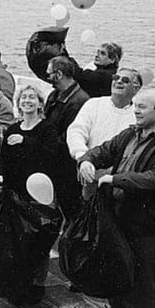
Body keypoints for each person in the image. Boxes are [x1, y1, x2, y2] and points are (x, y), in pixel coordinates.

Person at [78, 89, 155, 308]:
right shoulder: (131, 133)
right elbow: (105, 150)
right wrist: (87, 160)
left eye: (142, 106)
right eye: (135, 105)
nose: (135, 109)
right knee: (117, 263)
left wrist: (115, 180)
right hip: (117, 212)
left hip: (145, 219)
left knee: (143, 270)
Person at [0, 84, 62, 305]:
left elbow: (51, 156)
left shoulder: (47, 128)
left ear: (40, 104)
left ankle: (37, 285)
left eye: (32, 97)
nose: (27, 100)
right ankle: (19, 282)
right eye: (23, 97)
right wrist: (1, 180)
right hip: (16, 192)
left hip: (39, 192)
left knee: (38, 239)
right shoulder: (12, 128)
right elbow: (4, 158)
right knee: (18, 239)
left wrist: (27, 142)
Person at [67, 67, 142, 199]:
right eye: (115, 78)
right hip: (91, 175)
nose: (118, 82)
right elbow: (76, 132)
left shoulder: (140, 114)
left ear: (136, 88)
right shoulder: (93, 104)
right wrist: (83, 158)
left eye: (125, 80)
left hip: (122, 180)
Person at [43, 55, 91, 222]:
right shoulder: (55, 95)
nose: (47, 76)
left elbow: (70, 136)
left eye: (49, 73)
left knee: (70, 205)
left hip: (66, 164)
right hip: (55, 159)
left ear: (59, 74)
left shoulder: (79, 101)